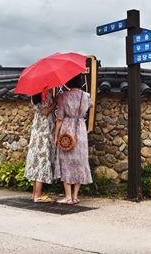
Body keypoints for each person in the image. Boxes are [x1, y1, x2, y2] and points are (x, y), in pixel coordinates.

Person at [54, 74, 93, 204]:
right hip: (81, 129)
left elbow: (59, 118)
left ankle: (68, 196)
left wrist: (56, 136)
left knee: (66, 162)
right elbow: (90, 106)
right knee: (79, 162)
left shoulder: (62, 96)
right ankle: (75, 196)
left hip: (67, 131)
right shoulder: (86, 96)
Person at [24, 91, 56, 203]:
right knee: (42, 160)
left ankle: (34, 193)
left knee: (36, 160)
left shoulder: (34, 95)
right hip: (44, 129)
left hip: (36, 129)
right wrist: (55, 103)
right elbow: (46, 111)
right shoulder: (45, 94)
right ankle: (38, 194)